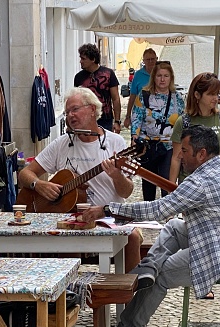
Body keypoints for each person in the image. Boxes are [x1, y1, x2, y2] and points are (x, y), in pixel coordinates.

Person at [81, 125, 220, 327]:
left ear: (201, 154)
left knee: (163, 275)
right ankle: (148, 268)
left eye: (185, 151)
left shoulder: (198, 182)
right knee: (173, 227)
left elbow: (158, 210)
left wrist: (107, 209)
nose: (179, 155)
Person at [18, 87, 142, 272]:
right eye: (67, 112)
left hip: (108, 217)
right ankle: (68, 296)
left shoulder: (116, 143)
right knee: (67, 239)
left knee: (132, 237)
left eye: (75, 109)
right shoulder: (62, 144)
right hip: (70, 220)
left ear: (92, 109)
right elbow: (25, 174)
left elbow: (126, 192)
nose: (70, 116)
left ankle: (130, 295)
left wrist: (116, 175)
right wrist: (39, 184)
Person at [130, 61, 185, 200]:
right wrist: (134, 136)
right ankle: (149, 215)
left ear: (171, 78)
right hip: (148, 145)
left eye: (166, 76)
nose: (162, 79)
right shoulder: (144, 95)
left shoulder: (177, 97)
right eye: (159, 75)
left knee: (167, 181)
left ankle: (167, 215)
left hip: (169, 146)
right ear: (154, 77)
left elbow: (183, 120)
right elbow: (136, 116)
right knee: (148, 184)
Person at [169, 72, 220, 184]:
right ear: (197, 95)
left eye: (217, 94)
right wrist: (170, 187)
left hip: (218, 183)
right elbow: (176, 157)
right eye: (211, 94)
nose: (215, 98)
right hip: (190, 184)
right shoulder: (183, 122)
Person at [74, 43, 122, 134]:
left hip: (105, 119)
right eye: (81, 58)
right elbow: (76, 100)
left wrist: (117, 121)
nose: (81, 61)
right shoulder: (79, 77)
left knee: (104, 145)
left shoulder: (108, 74)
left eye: (83, 58)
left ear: (93, 59)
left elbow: (115, 99)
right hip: (85, 119)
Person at [123, 48, 158, 128]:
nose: (150, 61)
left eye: (152, 59)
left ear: (156, 59)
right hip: (140, 114)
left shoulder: (161, 73)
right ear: (144, 61)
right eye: (148, 59)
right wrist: (128, 116)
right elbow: (133, 95)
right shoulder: (138, 75)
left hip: (157, 114)